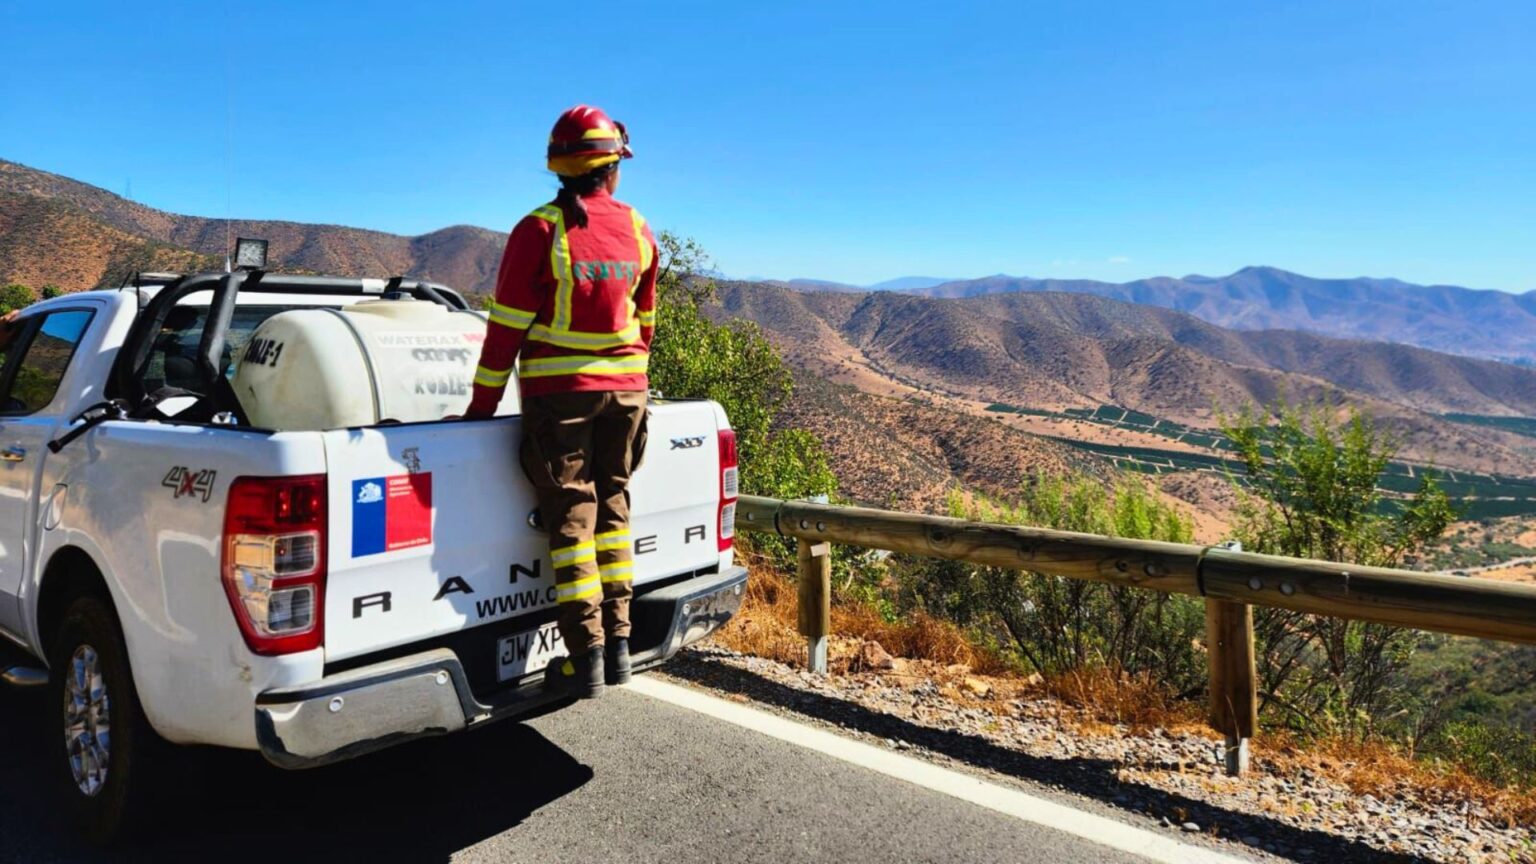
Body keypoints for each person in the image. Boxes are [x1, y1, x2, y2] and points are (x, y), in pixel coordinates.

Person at [462, 105, 658, 699]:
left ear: (561, 167)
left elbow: (505, 333)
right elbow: (645, 324)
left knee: (573, 523)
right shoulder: (640, 229)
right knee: (614, 509)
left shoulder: (539, 230)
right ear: (611, 168)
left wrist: (480, 408)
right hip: (628, 393)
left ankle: (588, 657)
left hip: (561, 401)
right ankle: (620, 644)